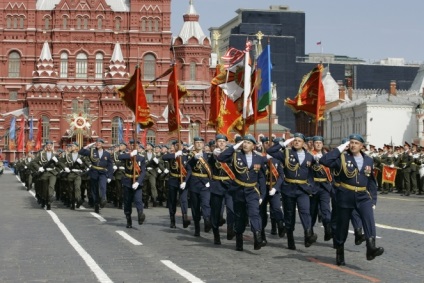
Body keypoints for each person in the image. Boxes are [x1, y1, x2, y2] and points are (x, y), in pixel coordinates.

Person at [319, 134, 384, 266]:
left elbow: (371, 181)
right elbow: (324, 161)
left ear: (361, 146)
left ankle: (371, 248)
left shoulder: (368, 160)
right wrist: (340, 148)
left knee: (369, 220)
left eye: (356, 143)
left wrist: (373, 200)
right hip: (345, 195)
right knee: (342, 226)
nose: (353, 145)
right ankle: (340, 250)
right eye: (351, 142)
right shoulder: (342, 157)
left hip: (363, 196)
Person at [266, 133, 317, 250]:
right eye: (295, 140)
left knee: (305, 211)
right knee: (289, 214)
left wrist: (311, 186)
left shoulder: (309, 156)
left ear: (304, 143)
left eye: (299, 140)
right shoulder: (286, 153)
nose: (297, 142)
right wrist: (283, 144)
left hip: (303, 189)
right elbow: (271, 152)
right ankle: (290, 238)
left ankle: (308, 233)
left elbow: (312, 174)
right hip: (288, 188)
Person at [216, 134, 266, 251]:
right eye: (244, 142)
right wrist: (233, 147)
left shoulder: (259, 158)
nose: (245, 144)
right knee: (240, 216)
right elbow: (221, 158)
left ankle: (257, 237)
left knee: (254, 213)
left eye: (248, 143)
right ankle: (239, 240)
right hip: (238, 190)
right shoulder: (235, 155)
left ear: (253, 146)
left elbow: (262, 177)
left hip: (252, 190)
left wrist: (262, 195)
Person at [208, 134, 235, 244]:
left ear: (227, 143)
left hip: (229, 186)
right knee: (216, 212)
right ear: (216, 143)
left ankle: (230, 229)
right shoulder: (213, 156)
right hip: (217, 185)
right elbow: (208, 169)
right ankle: (216, 234)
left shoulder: (232, 154)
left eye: (223, 141)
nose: (221, 143)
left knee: (231, 210)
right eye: (219, 141)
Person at [184, 136, 212, 237]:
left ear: (203, 144)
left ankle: (207, 220)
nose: (199, 144)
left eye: (200, 142)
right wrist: (193, 159)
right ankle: (197, 227)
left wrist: (209, 181)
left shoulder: (208, 156)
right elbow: (188, 167)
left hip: (205, 184)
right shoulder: (190, 155)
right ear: (194, 144)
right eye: (197, 143)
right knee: (195, 207)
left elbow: (212, 169)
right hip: (194, 183)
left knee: (206, 204)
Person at [79, 138, 114, 213]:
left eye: (99, 143)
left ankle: (103, 199)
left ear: (102, 144)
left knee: (102, 186)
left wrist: (110, 176)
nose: (98, 144)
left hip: (103, 172)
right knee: (94, 190)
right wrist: (88, 146)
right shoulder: (92, 151)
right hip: (94, 172)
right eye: (97, 143)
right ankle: (96, 204)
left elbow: (110, 166)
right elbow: (81, 152)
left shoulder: (107, 154)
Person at [161, 140, 191, 228]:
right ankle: (172, 220)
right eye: (177, 145)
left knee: (184, 200)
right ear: (174, 146)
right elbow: (164, 157)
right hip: (173, 180)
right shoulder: (171, 155)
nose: (179, 147)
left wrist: (185, 181)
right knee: (172, 200)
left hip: (183, 180)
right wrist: (175, 155)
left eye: (181, 145)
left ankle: (185, 218)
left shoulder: (186, 156)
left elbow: (189, 170)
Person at [310, 136, 333, 241]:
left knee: (325, 209)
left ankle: (328, 230)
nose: (318, 144)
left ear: (323, 144)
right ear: (313, 144)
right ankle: (309, 232)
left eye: (320, 142)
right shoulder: (309, 155)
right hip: (313, 186)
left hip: (324, 186)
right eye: (316, 143)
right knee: (312, 211)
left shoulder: (327, 156)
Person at [118, 146, 147, 228]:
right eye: (130, 146)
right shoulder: (127, 156)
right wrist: (131, 154)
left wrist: (138, 182)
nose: (132, 147)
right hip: (127, 181)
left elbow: (143, 172)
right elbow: (120, 157)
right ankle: (128, 219)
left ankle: (140, 215)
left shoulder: (141, 158)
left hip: (137, 182)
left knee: (138, 200)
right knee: (127, 202)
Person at [31, 141, 61, 210]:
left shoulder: (55, 155)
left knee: (51, 186)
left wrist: (58, 163)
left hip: (52, 173)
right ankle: (45, 199)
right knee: (44, 189)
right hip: (44, 173)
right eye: (48, 145)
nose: (49, 147)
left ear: (52, 146)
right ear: (45, 146)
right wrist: (39, 168)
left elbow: (59, 164)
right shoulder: (41, 155)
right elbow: (34, 162)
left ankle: (50, 198)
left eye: (50, 145)